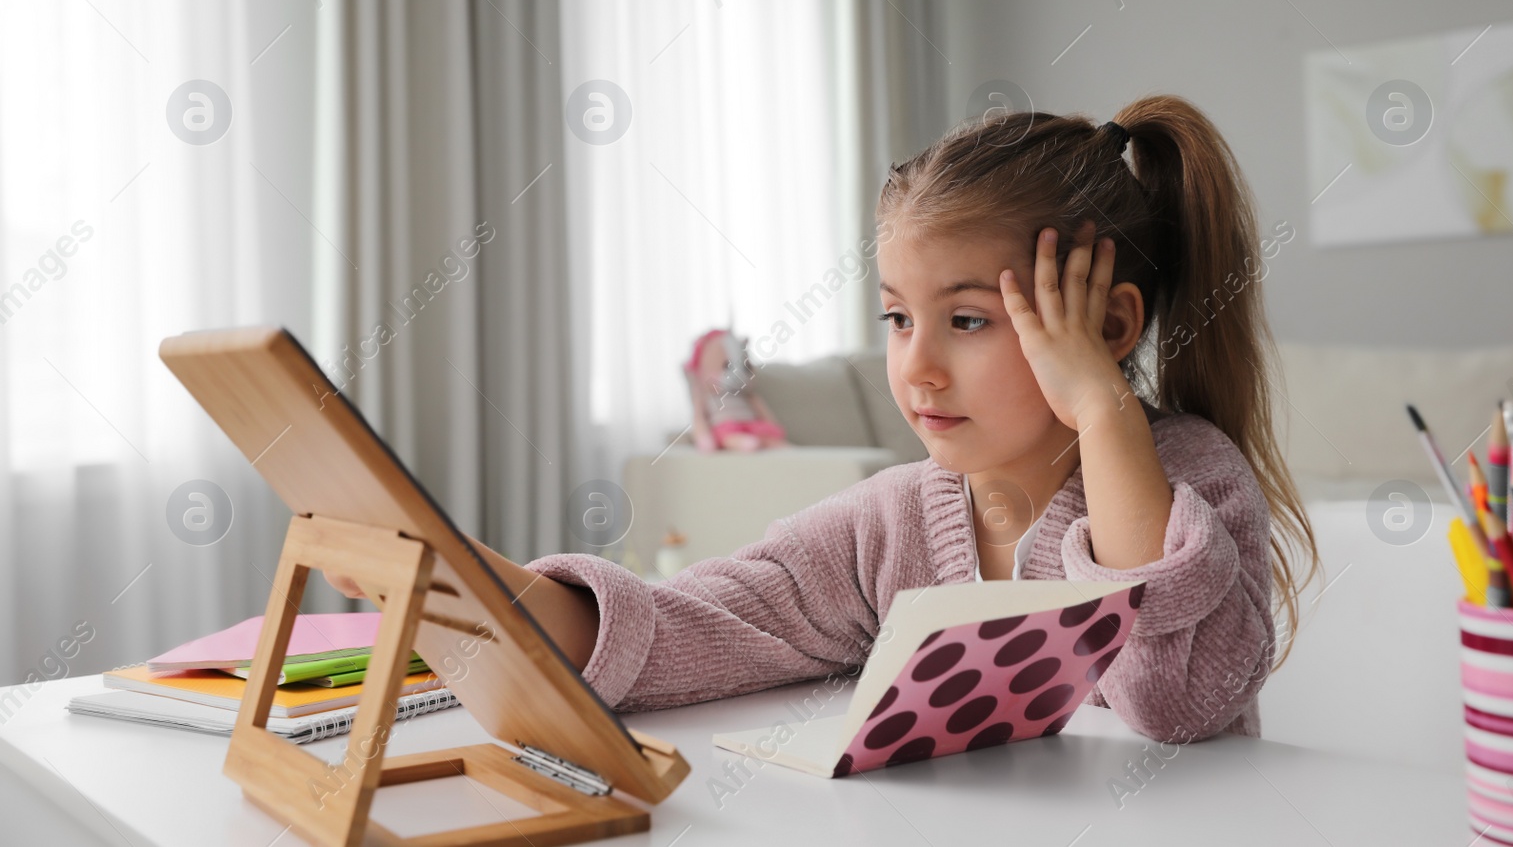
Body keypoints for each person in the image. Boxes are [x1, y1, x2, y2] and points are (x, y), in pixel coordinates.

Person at [326, 94, 1319, 744]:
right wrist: (459, 572)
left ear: (1107, 324)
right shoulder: (888, 522)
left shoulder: (1194, 476)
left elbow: (1170, 703)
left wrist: (1103, 411)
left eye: (967, 319)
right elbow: (685, 626)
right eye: (896, 317)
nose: (916, 363)